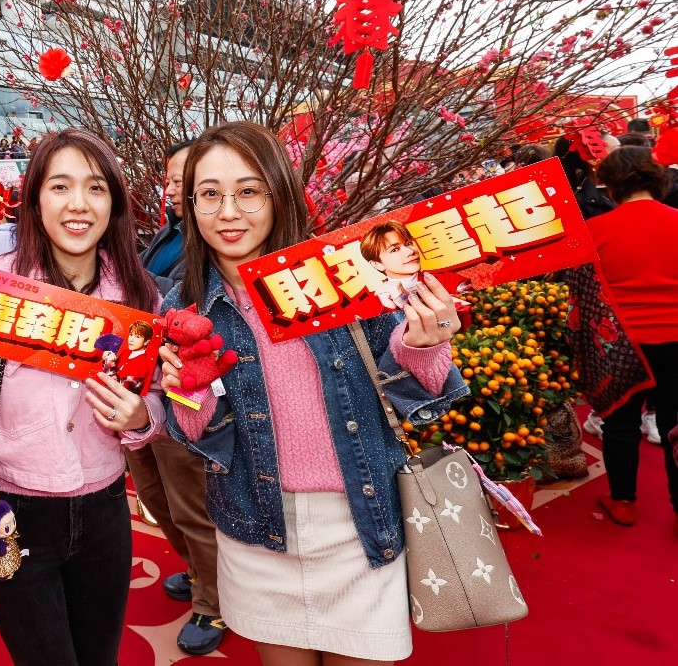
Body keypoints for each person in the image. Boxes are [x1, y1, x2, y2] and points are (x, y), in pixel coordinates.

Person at [159, 121, 467, 666]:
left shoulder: (345, 277)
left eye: (249, 191)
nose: (229, 212)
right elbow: (196, 434)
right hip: (255, 531)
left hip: (358, 526)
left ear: (279, 191)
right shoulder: (181, 309)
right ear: (189, 204)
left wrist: (422, 343)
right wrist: (189, 392)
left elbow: (420, 399)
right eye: (210, 195)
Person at [0, 129, 165, 666]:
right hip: (12, 513)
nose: (78, 204)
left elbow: (155, 396)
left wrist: (141, 415)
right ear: (35, 200)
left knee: (100, 659)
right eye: (60, 186)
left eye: (95, 188)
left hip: (107, 509)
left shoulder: (137, 294)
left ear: (114, 201)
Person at [129, 138, 228, 655]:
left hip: (186, 395)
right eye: (167, 178)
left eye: (180, 180)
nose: (169, 187)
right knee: (153, 496)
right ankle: (196, 572)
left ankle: (213, 606)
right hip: (142, 392)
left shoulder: (215, 245)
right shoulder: (167, 234)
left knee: (191, 506)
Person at [585, 146, 678, 526]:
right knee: (675, 421)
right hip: (675, 338)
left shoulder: (595, 231)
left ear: (609, 185)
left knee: (620, 423)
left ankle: (623, 501)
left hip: (620, 343)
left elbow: (584, 296)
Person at [141, 140, 192, 290]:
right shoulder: (171, 229)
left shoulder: (213, 244)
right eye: (168, 182)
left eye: (177, 182)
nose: (168, 191)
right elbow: (136, 263)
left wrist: (131, 276)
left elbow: (182, 297)